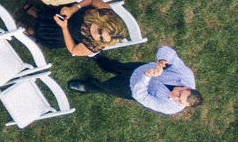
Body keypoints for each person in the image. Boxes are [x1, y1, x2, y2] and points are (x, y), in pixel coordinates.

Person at [67, 45, 201, 115]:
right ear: (186, 87)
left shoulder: (170, 108)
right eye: (179, 94)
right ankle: (100, 59)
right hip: (138, 68)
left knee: (107, 87)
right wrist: (163, 61)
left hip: (131, 88)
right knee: (116, 66)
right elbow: (166, 50)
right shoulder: (185, 75)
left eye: (179, 101)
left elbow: (141, 96)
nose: (174, 97)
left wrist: (147, 76)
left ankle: (88, 86)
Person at [31, 0, 128, 58]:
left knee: (40, 31)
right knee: (48, 14)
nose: (97, 35)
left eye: (101, 38)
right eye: (100, 30)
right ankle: (38, 14)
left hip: (63, 33)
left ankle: (30, 30)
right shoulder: (106, 13)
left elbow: (73, 49)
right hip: (71, 13)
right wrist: (73, 9)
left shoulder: (95, 45)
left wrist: (64, 27)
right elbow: (92, 0)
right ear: (103, 22)